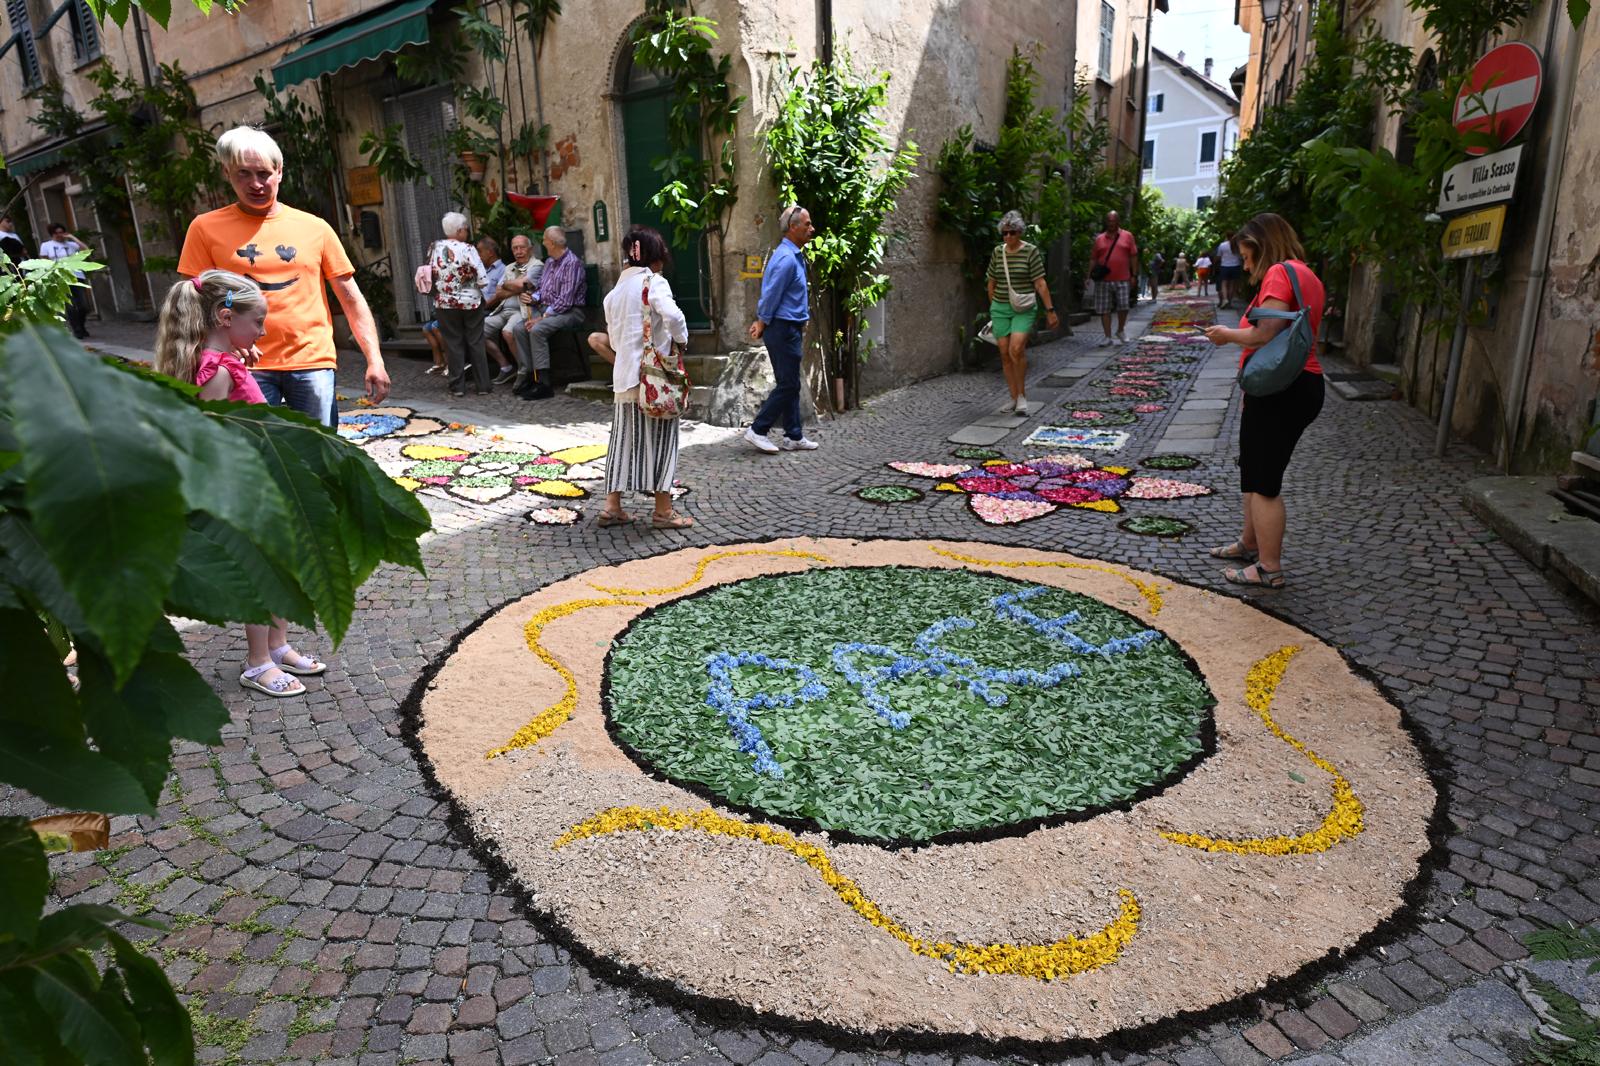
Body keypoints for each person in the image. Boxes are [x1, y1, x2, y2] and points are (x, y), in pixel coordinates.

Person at [153, 269, 327, 697]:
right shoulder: (216, 371)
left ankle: (278, 644)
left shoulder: (224, 362)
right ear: (226, 317)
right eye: (258, 322)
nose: (263, 331)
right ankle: (258, 661)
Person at [178, 126, 389, 427]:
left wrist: (375, 359)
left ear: (279, 172)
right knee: (259, 449)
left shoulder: (315, 228)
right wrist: (217, 346)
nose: (256, 184)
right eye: (243, 174)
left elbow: (351, 298)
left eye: (263, 173)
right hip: (244, 364)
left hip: (311, 361)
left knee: (319, 448)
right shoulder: (204, 228)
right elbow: (191, 302)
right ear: (226, 172)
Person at [1202, 213, 1326, 589]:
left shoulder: (1279, 272)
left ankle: (1269, 567)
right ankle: (1250, 543)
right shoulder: (1306, 274)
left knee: (1265, 481)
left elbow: (1265, 333)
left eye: (1247, 256)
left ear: (1263, 246)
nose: (1246, 266)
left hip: (1282, 389)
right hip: (1291, 386)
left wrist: (1226, 334)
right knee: (1254, 471)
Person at [586, 226, 694, 530]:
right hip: (654, 379)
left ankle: (612, 507)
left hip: (624, 378)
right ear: (654, 257)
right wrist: (681, 341)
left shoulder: (613, 294)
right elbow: (674, 317)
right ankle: (663, 511)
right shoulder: (654, 282)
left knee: (623, 441)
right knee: (662, 440)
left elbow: (614, 340)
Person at [745, 205, 819, 452]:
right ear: (792, 227)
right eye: (807, 224)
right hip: (782, 328)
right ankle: (758, 430)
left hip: (788, 327)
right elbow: (771, 294)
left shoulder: (792, 254)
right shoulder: (787, 258)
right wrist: (761, 321)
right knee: (788, 384)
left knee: (790, 382)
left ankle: (793, 435)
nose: (812, 229)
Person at [985, 210, 1059, 415]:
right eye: (1005, 233)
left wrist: (1050, 310)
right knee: (1004, 353)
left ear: (1020, 232)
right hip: (1000, 308)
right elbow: (991, 281)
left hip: (1023, 308)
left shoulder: (1030, 251)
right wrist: (993, 306)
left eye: (1012, 232)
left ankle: (1022, 396)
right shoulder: (998, 252)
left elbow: (1040, 283)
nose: (1008, 236)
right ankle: (1013, 396)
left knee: (1016, 349)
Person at [514, 225, 585, 400]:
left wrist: (542, 317)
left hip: (570, 312)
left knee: (537, 329)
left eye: (545, 240)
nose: (543, 243)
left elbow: (565, 301)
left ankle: (544, 383)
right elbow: (542, 289)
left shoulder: (572, 263)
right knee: (519, 328)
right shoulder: (550, 262)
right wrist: (532, 297)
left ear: (552, 243)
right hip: (549, 309)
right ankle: (531, 375)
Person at [427, 213, 490, 397]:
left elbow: (431, 273)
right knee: (476, 341)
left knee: (453, 343)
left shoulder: (434, 247)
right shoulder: (468, 248)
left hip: (444, 303)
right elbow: (483, 280)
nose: (467, 233)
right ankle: (483, 386)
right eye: (466, 229)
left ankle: (457, 386)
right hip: (470, 303)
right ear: (460, 230)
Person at [483, 233, 541, 385]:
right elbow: (499, 292)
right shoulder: (509, 267)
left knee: (508, 332)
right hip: (503, 310)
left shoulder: (537, 266)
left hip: (522, 311)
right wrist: (516, 287)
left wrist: (509, 285)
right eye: (515, 248)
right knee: (477, 332)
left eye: (522, 248)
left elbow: (524, 285)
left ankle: (524, 371)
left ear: (530, 249)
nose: (518, 252)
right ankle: (506, 367)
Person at [1089, 211, 1138, 347]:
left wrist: (1134, 275)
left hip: (1123, 278)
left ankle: (1120, 330)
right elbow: (1093, 258)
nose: (1111, 223)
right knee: (1104, 308)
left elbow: (1134, 256)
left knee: (1124, 306)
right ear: (1106, 222)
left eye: (1113, 220)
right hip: (1103, 279)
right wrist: (1088, 276)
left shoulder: (1127, 236)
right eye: (1109, 220)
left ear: (1118, 221)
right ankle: (1107, 336)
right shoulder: (1099, 239)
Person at [39, 223, 92, 338]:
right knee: (70, 306)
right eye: (57, 233)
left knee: (83, 306)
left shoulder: (72, 245)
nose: (60, 235)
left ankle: (82, 326)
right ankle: (77, 330)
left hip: (77, 276)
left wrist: (72, 237)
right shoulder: (46, 245)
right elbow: (44, 262)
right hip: (60, 278)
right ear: (52, 234)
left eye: (61, 232)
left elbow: (86, 250)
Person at [474, 236, 514, 383]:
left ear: (490, 252)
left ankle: (505, 366)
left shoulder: (503, 269)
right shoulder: (482, 270)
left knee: (473, 330)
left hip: (490, 309)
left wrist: (481, 307)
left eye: (480, 251)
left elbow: (498, 296)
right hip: (477, 308)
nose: (478, 256)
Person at [1215, 236, 1244, 309]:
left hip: (1225, 266)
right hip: (1236, 266)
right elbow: (1241, 256)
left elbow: (1218, 256)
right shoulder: (1237, 244)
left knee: (1224, 283)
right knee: (1232, 285)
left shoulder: (1222, 245)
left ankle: (1225, 299)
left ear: (1227, 237)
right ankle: (1230, 302)